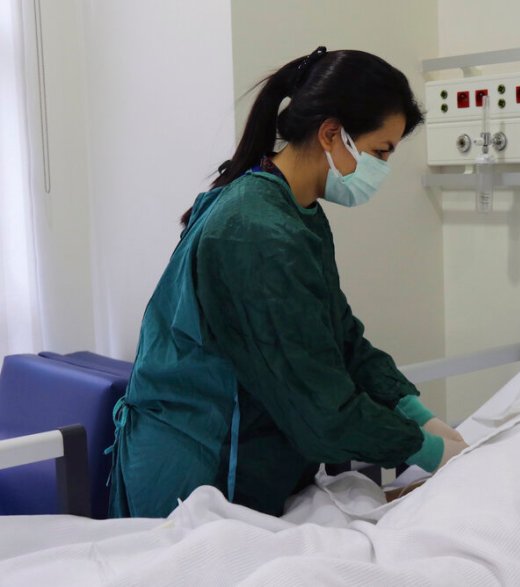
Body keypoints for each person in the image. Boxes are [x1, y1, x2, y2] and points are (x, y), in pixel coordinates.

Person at [107, 47, 467, 518]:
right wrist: (424, 449)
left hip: (242, 466)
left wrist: (413, 409)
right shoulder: (256, 231)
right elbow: (322, 412)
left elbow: (341, 337)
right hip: (196, 481)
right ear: (332, 135)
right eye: (381, 152)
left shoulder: (294, 211)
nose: (383, 169)